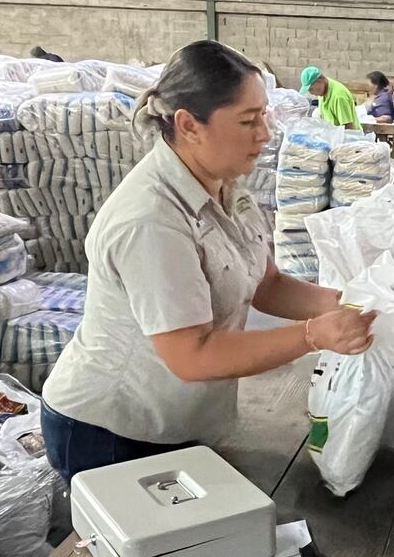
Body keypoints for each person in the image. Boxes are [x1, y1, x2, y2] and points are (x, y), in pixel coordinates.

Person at [42, 41, 375, 482]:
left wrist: (351, 301)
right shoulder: (151, 220)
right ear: (189, 125)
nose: (265, 134)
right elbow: (192, 356)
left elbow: (266, 283)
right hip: (114, 429)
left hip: (177, 419)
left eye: (265, 116)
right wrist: (314, 335)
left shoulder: (224, 185)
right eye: (247, 121)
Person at [300, 65, 359, 129]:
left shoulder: (338, 96)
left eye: (311, 89)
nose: (311, 93)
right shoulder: (323, 91)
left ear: (319, 81)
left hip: (348, 136)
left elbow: (348, 127)